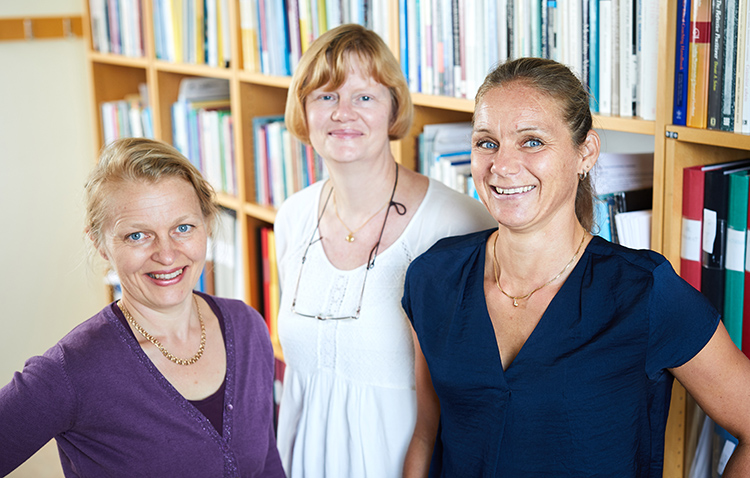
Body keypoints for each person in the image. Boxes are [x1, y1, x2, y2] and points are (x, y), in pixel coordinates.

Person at [401, 57, 750, 477]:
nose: (503, 166)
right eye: (486, 142)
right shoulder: (433, 277)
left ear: (585, 152)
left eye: (532, 141)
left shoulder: (645, 293)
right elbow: (426, 434)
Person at [274, 24, 495, 477]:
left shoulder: (459, 224)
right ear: (303, 110)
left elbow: (476, 393)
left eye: (364, 97)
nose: (343, 113)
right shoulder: (292, 217)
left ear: (394, 108)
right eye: (325, 96)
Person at [0, 138, 285, 477]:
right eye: (137, 235)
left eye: (183, 228)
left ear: (207, 225)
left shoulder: (247, 326)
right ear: (101, 244)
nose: (166, 254)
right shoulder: (73, 370)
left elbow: (267, 465)